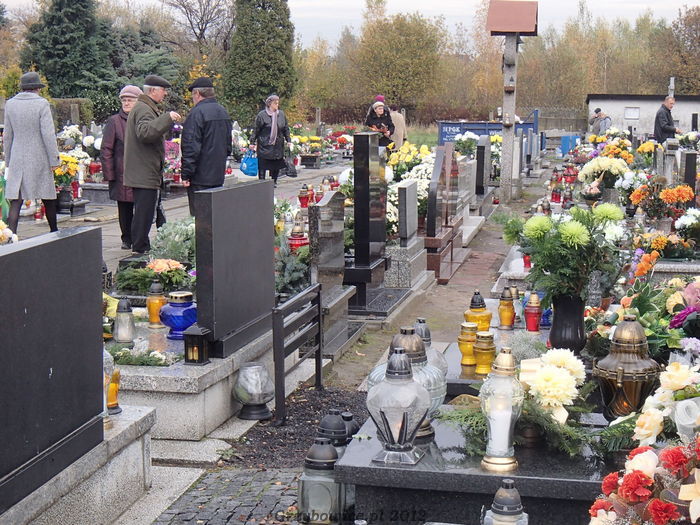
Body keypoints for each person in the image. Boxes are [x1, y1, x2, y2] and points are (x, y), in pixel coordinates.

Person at [123, 74, 181, 255]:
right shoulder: (144, 109)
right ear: (153, 91)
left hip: (144, 171)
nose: (165, 94)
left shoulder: (145, 107)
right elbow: (145, 133)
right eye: (163, 90)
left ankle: (142, 246)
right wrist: (167, 118)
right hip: (144, 172)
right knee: (144, 214)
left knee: (146, 212)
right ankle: (139, 249)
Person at [4, 72, 60, 235]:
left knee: (16, 199)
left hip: (18, 156)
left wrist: (8, 160)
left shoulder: (10, 104)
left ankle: (11, 236)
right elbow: (48, 134)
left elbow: (8, 135)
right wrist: (54, 160)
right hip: (39, 156)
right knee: (48, 197)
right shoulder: (42, 104)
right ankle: (54, 232)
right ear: (37, 88)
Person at [181, 77, 232, 216]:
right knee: (215, 216)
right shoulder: (223, 111)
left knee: (199, 217)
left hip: (200, 176)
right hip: (217, 174)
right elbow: (228, 145)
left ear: (197, 94)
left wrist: (186, 174)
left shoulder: (196, 113)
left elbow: (191, 147)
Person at [101, 85, 143, 249]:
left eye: (130, 100)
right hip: (121, 173)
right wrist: (110, 174)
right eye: (124, 100)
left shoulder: (143, 119)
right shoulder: (114, 121)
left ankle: (140, 237)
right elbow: (106, 149)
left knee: (141, 208)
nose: (126, 103)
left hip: (141, 171)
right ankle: (127, 238)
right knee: (125, 209)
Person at [250, 94, 290, 188]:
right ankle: (262, 182)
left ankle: (274, 181)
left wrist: (288, 140)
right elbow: (256, 129)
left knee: (276, 163)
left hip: (277, 144)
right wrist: (252, 142)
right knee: (263, 164)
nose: (277, 105)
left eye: (278, 103)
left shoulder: (281, 115)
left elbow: (285, 128)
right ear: (269, 104)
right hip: (265, 144)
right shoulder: (262, 115)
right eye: (275, 103)